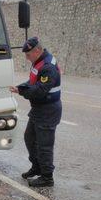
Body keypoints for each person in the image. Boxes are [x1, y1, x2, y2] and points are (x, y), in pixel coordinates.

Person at [10, 37, 62, 187]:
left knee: (44, 145)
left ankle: (47, 177)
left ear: (37, 50)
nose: (27, 58)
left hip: (48, 109)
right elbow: (32, 81)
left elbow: (40, 90)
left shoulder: (48, 67)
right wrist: (20, 87)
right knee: (30, 138)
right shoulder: (38, 62)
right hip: (39, 109)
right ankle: (37, 167)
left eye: (28, 55)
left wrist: (21, 91)